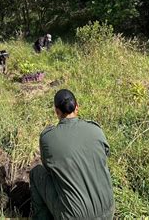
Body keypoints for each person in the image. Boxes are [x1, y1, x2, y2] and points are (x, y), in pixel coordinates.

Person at [30, 89, 114, 220]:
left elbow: (48, 169)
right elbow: (105, 155)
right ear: (77, 107)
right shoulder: (96, 130)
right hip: (108, 211)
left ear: (57, 111)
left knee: (36, 172)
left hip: (75, 216)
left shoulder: (47, 138)